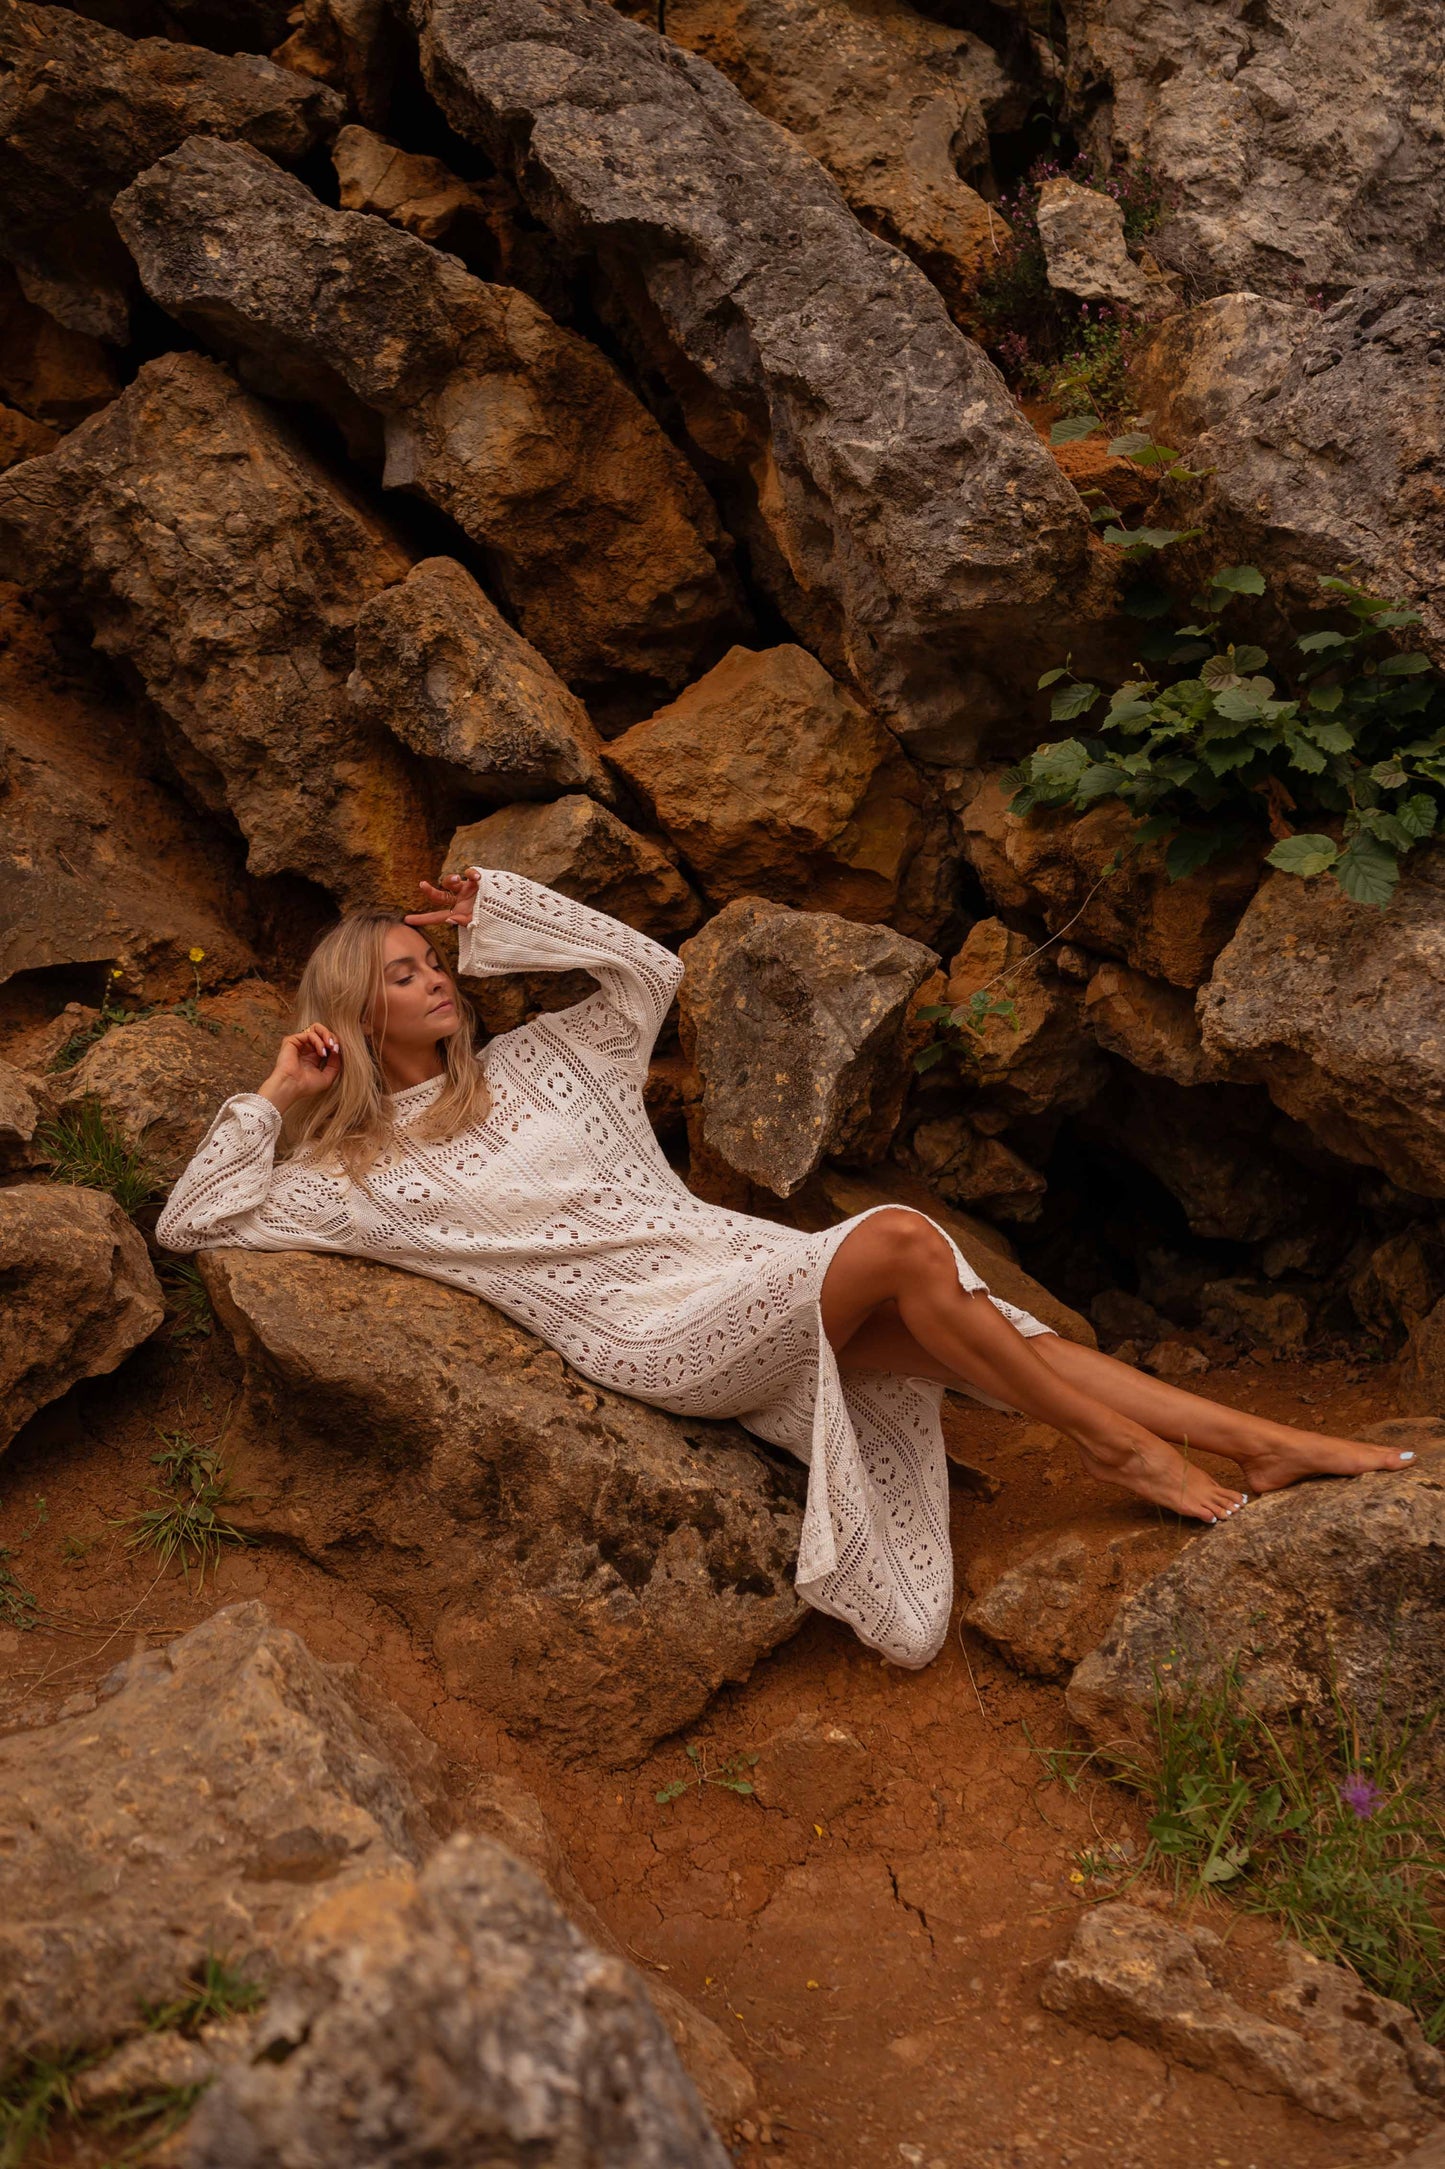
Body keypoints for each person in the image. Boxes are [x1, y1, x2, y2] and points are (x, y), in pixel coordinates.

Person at [157, 866, 1415, 1668]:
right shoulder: (359, 1176)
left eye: (434, 963)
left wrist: (504, 916)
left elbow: (650, 971)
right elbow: (196, 1220)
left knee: (993, 1334)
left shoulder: (546, 1061)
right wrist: (277, 1089)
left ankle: (1258, 1443)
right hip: (656, 1339)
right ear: (355, 1010)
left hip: (749, 1270)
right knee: (907, 1242)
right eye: (405, 974)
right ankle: (1119, 1450)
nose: (435, 980)